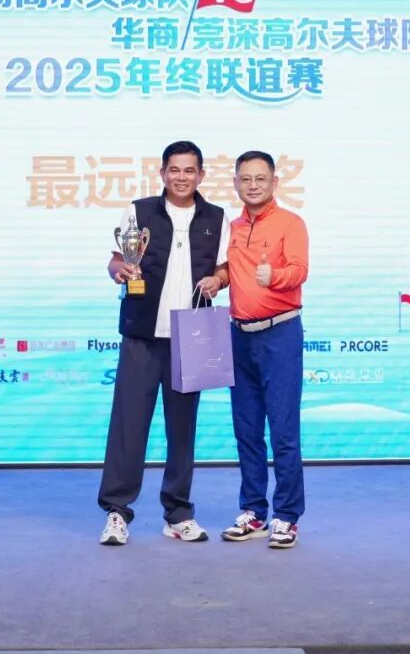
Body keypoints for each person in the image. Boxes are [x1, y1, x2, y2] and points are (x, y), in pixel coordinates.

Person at [98, 140, 230, 546]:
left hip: (192, 336)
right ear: (162, 173)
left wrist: (218, 280)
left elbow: (224, 269)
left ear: (201, 175)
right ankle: (117, 512)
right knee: (128, 425)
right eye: (174, 169)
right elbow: (116, 260)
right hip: (141, 335)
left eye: (190, 170)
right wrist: (120, 271)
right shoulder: (138, 211)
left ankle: (178, 513)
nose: (182, 177)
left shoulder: (217, 218)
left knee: (182, 430)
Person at [221, 151, 309, 549]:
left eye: (260, 178)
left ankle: (287, 515)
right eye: (245, 178)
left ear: (274, 182)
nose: (253, 185)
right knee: (247, 429)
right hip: (238, 336)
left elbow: (300, 270)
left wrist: (275, 276)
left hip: (280, 335)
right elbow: (230, 270)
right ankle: (254, 511)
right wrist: (217, 279)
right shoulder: (233, 227)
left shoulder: (291, 223)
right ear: (236, 183)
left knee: (284, 430)